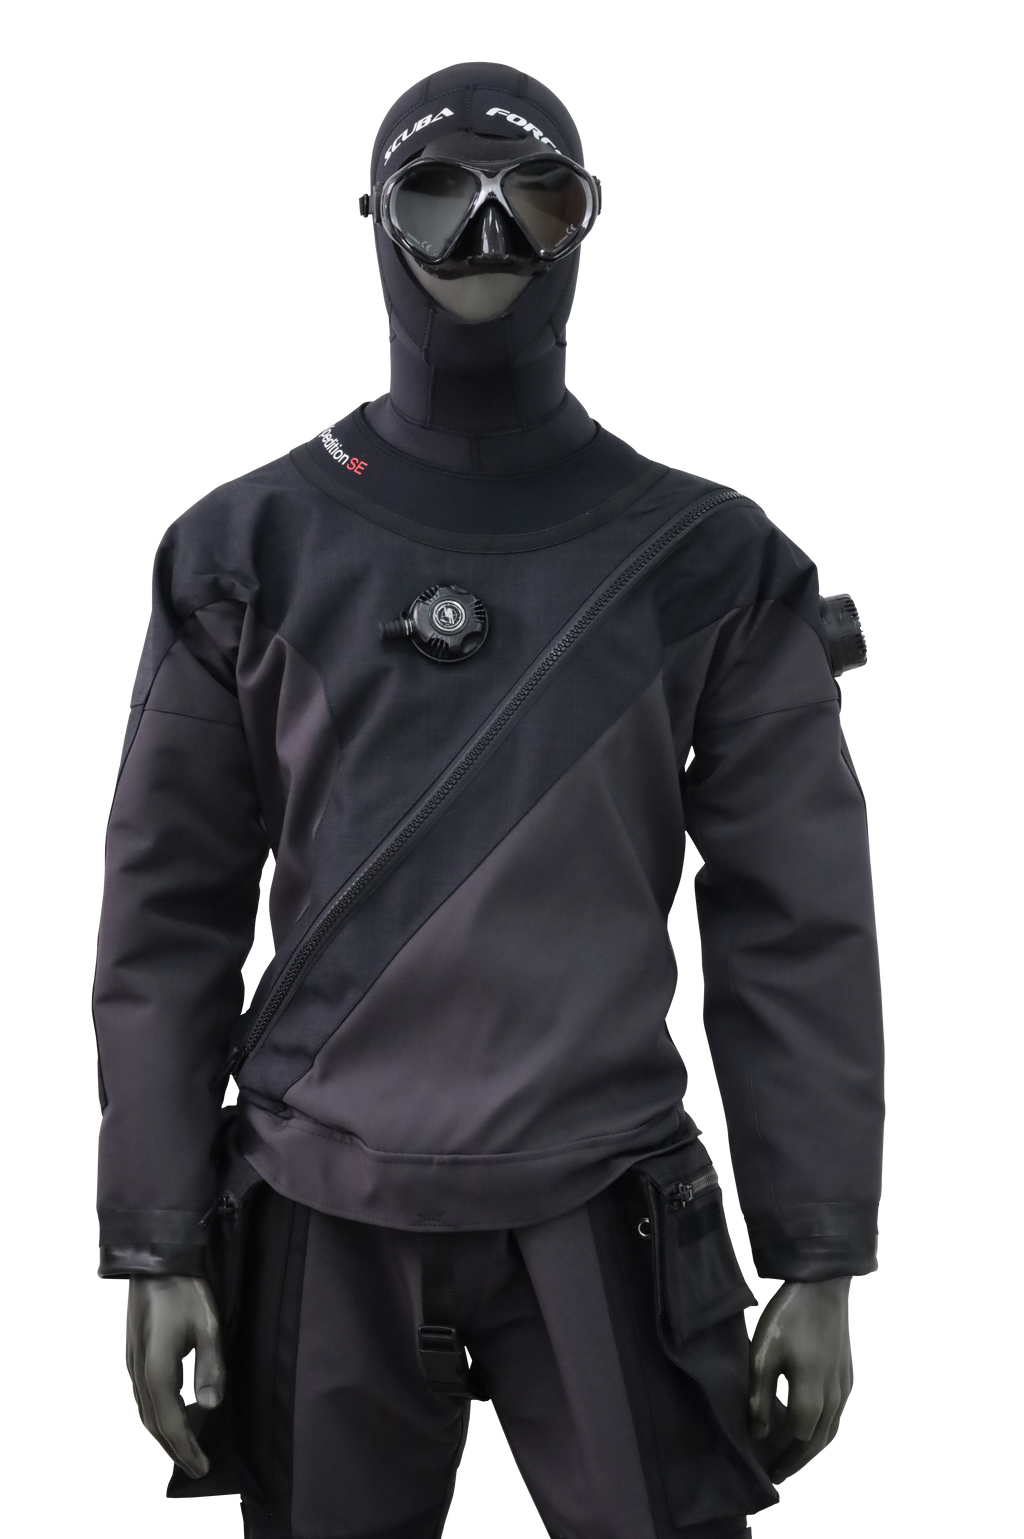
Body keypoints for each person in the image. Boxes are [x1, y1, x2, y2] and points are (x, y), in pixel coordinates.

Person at [94, 59, 886, 1539]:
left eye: (535, 197)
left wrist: (821, 1247)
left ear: (591, 219)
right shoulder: (239, 552)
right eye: (436, 194)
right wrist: (155, 1234)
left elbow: (801, 925)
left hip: (608, 1197)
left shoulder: (714, 563)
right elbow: (164, 912)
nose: (485, 236)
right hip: (318, 1205)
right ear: (370, 218)